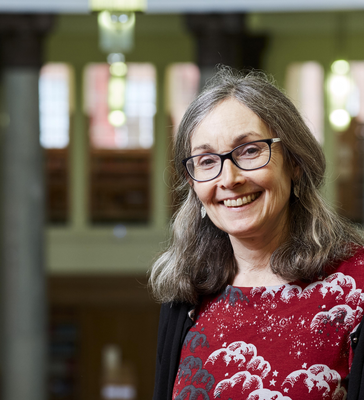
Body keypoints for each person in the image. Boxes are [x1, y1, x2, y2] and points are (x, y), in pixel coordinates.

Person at [149, 67, 364, 400]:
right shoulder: (188, 293)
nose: (229, 178)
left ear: (294, 162)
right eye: (207, 160)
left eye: (249, 151)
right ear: (193, 182)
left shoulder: (356, 286)